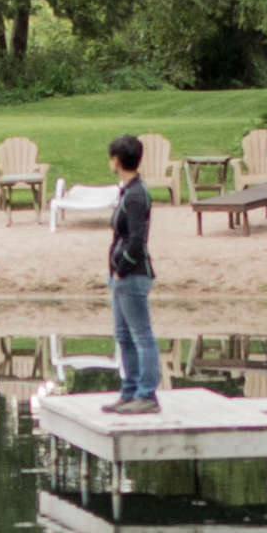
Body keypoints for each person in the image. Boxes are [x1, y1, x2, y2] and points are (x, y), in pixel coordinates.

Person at [104, 133, 159, 414]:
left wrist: (121, 269)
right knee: (123, 336)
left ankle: (147, 394)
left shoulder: (136, 195)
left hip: (132, 275)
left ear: (117, 160)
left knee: (141, 335)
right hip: (120, 276)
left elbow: (137, 240)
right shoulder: (128, 190)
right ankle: (129, 391)